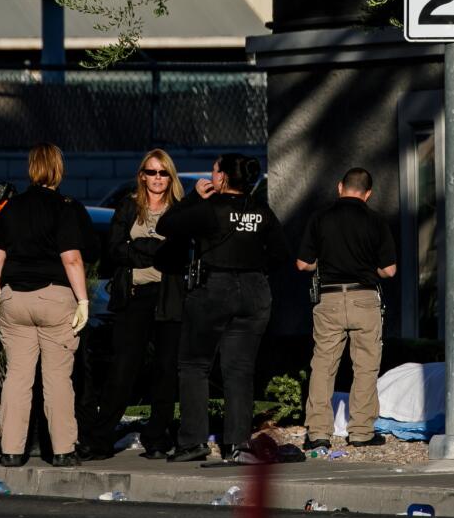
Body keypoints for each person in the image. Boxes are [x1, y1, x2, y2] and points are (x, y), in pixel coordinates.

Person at [157, 153, 288, 462]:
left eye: (215, 171)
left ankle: (193, 441)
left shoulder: (208, 210)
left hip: (213, 288)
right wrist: (255, 269)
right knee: (240, 369)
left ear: (224, 178)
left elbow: (166, 225)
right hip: (255, 291)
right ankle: (237, 444)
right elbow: (281, 254)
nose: (211, 176)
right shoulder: (261, 211)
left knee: (194, 365)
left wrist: (192, 197)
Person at [0, 144, 96, 468]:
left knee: (17, 376)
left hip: (14, 298)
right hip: (54, 296)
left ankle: (11, 450)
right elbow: (72, 258)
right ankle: (62, 450)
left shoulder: (12, 208)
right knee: (57, 377)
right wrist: (83, 300)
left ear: (31, 168)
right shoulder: (65, 207)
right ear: (58, 169)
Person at [80, 149, 186, 461]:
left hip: (168, 295)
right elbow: (113, 250)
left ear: (170, 177)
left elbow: (179, 254)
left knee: (166, 369)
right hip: (134, 295)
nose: (157, 179)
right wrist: (153, 250)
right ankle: (100, 438)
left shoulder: (178, 210)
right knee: (124, 367)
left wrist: (139, 247)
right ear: (141, 175)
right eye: (151, 172)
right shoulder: (129, 206)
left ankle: (157, 438)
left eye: (163, 173)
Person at [296, 167, 397, 448]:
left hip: (328, 299)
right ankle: (362, 432)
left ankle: (317, 433)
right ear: (368, 193)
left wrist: (324, 262)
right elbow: (389, 270)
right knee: (365, 367)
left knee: (323, 366)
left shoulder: (320, 218)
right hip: (364, 298)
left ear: (340, 187)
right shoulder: (376, 221)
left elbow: (303, 264)